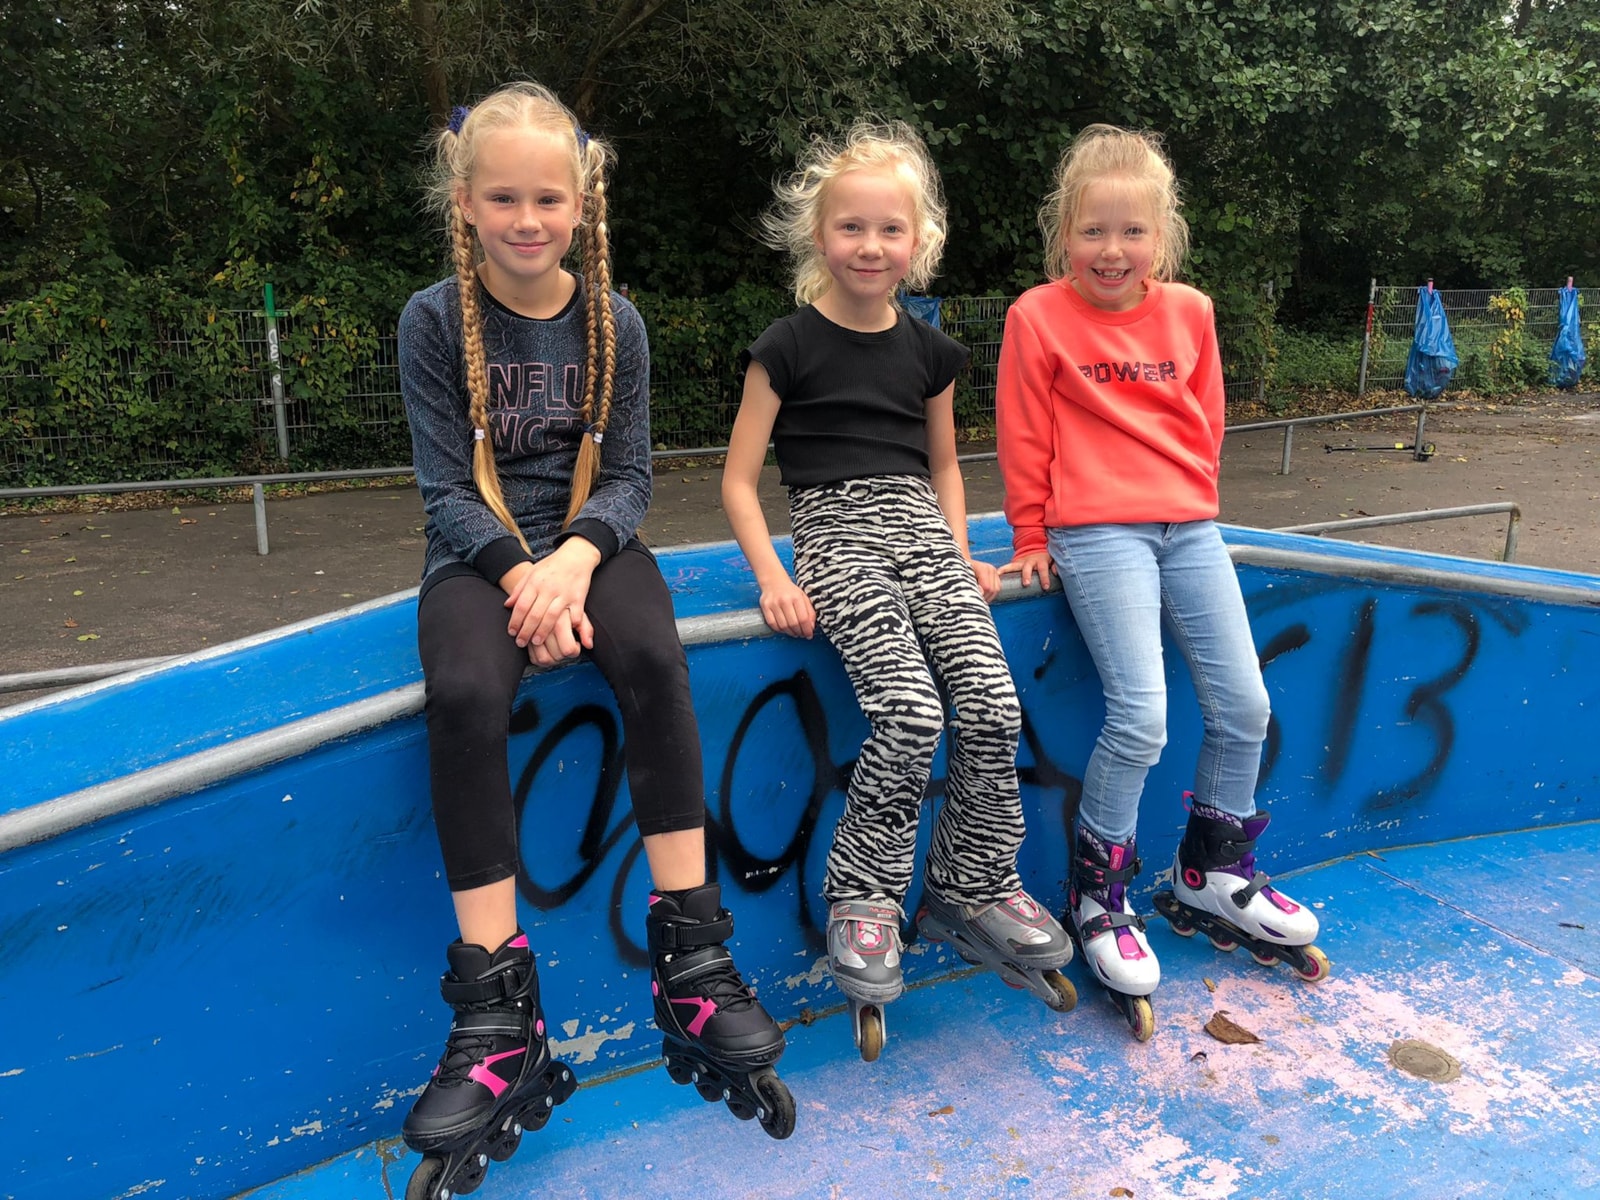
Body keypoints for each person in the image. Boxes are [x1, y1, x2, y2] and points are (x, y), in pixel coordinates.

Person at [396, 82, 793, 1196]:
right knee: (466, 692)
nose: (528, 220)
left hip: (591, 545)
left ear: (582, 204)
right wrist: (521, 575)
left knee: (657, 658)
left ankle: (693, 960)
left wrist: (571, 561)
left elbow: (628, 479)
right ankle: (497, 1015)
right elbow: (444, 490)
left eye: (548, 200)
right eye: (504, 199)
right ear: (465, 202)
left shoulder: (617, 322)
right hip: (479, 555)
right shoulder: (433, 320)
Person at [721, 121, 1077, 1064]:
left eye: (890, 230)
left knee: (991, 703)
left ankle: (970, 881)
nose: (870, 246)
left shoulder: (929, 350)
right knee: (912, 711)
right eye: (852, 228)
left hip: (922, 531)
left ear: (918, 242)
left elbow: (946, 467)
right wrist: (775, 576)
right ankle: (866, 893)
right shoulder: (787, 346)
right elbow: (739, 481)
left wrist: (960, 553)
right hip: (836, 533)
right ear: (819, 236)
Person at [995, 124, 1329, 1043]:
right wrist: (1031, 533)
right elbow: (1023, 432)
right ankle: (1097, 895)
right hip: (1096, 529)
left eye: (1133, 232)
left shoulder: (1190, 312)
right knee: (1141, 715)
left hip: (1189, 524)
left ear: (1163, 238)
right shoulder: (1037, 316)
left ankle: (1210, 869)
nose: (1113, 250)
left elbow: (1204, 418)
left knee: (1245, 706)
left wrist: (1190, 497)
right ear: (1064, 234)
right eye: (1093, 231)